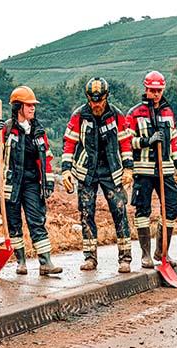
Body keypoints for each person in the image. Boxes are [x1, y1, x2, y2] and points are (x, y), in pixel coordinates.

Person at [0, 86, 61, 275]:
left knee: (36, 221)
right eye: (29, 105)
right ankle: (21, 262)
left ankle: (46, 262)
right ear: (18, 107)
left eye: (34, 105)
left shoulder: (39, 131)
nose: (33, 108)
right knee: (14, 223)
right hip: (10, 185)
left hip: (32, 184)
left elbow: (47, 158)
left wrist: (48, 182)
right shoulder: (7, 129)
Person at [61, 77, 134, 273]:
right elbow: (69, 143)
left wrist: (129, 168)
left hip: (111, 170)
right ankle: (90, 257)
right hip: (87, 171)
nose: (96, 105)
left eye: (100, 100)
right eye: (93, 101)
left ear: (106, 97)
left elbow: (125, 143)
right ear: (87, 98)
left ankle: (125, 258)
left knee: (119, 211)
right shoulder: (79, 115)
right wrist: (66, 169)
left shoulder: (116, 115)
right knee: (86, 213)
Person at [125, 71, 177, 269]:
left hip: (166, 169)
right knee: (143, 210)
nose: (156, 94)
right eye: (152, 90)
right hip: (143, 170)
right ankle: (145, 255)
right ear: (145, 89)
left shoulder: (168, 112)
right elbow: (126, 142)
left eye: (159, 90)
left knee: (171, 206)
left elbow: (174, 143)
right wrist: (147, 141)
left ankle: (163, 252)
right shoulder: (135, 113)